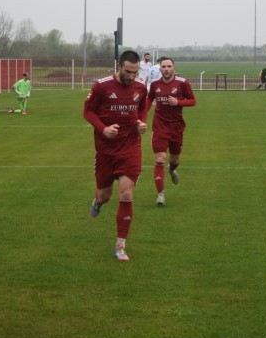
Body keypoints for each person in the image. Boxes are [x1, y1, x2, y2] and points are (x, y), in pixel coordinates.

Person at [84, 50, 148, 261]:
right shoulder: (101, 86)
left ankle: (120, 246)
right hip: (105, 150)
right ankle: (98, 201)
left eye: (135, 72)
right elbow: (88, 111)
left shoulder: (140, 87)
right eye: (128, 71)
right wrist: (103, 129)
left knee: (126, 194)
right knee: (105, 195)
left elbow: (142, 108)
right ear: (118, 67)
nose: (132, 76)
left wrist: (141, 122)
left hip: (130, 147)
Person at [147, 57, 196, 206]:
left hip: (176, 128)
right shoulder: (155, 85)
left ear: (174, 68)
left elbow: (192, 101)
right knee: (160, 159)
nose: (166, 69)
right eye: (164, 66)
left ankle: (172, 169)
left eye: (169, 66)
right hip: (159, 127)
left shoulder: (182, 83)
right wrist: (141, 117)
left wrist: (178, 102)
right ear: (160, 69)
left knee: (174, 160)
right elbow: (148, 101)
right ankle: (160, 195)